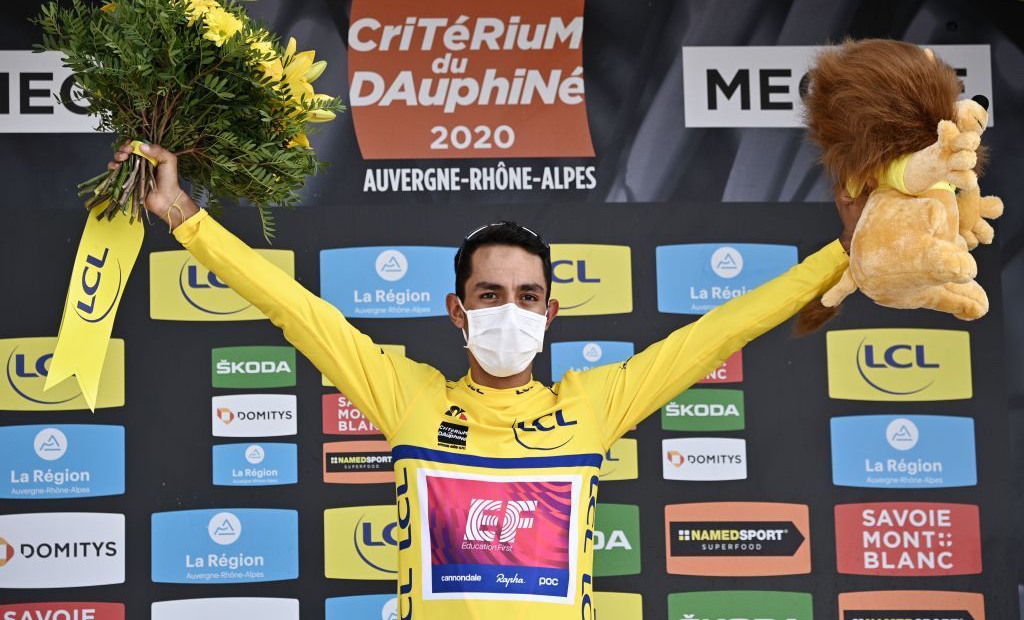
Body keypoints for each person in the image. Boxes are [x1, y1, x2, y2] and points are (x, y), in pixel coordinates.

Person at [110, 141, 863, 620]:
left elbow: (722, 330)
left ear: (552, 311)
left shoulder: (594, 404)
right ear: (457, 311)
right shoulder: (410, 395)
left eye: (528, 297)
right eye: (490, 296)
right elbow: (296, 311)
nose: (511, 312)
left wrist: (844, 253)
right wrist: (183, 215)